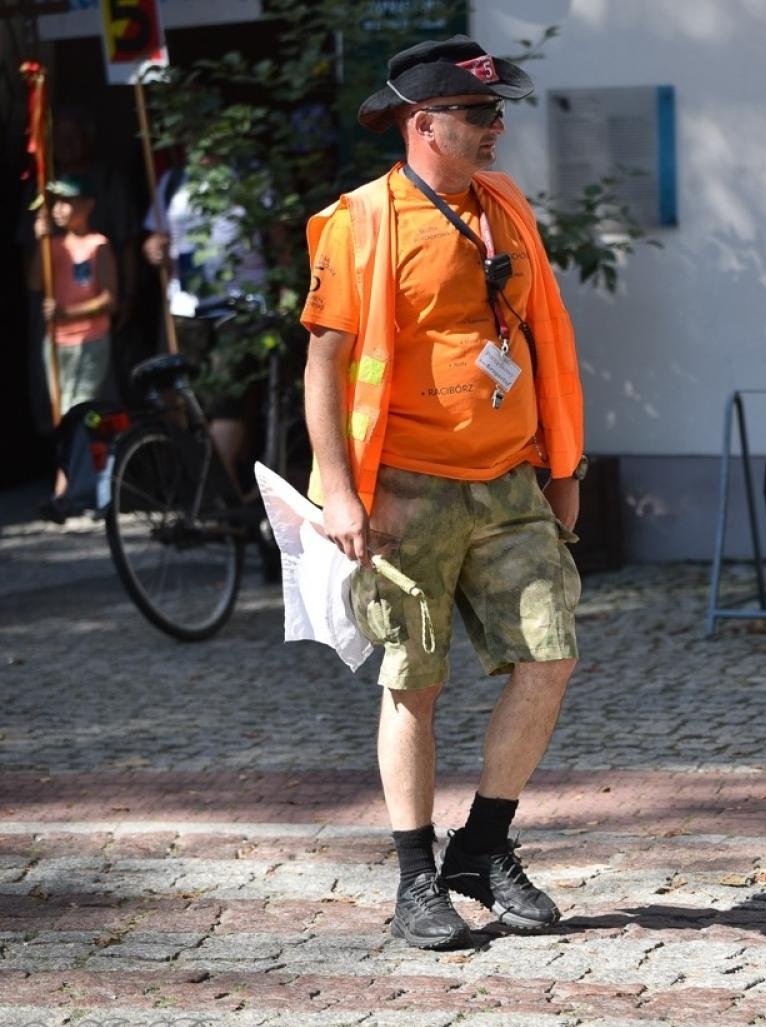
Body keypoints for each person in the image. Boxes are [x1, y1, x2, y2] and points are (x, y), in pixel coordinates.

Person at [300, 35, 587, 951]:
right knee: (413, 684)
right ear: (426, 125)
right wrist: (339, 491)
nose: (499, 127)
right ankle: (416, 879)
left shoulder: (504, 206)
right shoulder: (361, 221)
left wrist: (565, 465)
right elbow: (326, 363)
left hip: (507, 479)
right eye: (481, 114)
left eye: (498, 111)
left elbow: (543, 332)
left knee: (549, 658)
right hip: (404, 491)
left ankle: (484, 847)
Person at [141, 154, 270, 485]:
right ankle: (198, 486)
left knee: (229, 398)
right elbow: (154, 235)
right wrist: (153, 247)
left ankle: (214, 489)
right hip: (185, 307)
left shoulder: (249, 172)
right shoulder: (173, 179)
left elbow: (278, 234)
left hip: (240, 305)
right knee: (184, 398)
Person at [26, 174, 118, 522]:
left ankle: (88, 491)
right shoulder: (52, 247)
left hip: (90, 339)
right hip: (57, 343)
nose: (61, 209)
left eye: (68, 202)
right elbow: (35, 282)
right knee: (63, 418)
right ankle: (64, 491)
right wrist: (40, 241)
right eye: (57, 203)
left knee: (82, 413)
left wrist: (69, 312)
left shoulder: (98, 244)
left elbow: (111, 298)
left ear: (87, 205)